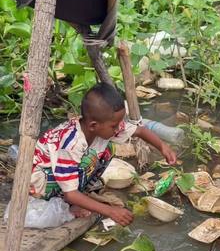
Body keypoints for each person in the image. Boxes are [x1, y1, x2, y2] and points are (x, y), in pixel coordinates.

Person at [30, 82, 177, 226]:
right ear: (93, 125)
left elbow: (139, 130)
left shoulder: (99, 127)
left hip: (60, 177)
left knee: (108, 149)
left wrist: (162, 147)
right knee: (90, 160)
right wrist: (110, 211)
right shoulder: (70, 144)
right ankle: (68, 204)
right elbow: (71, 193)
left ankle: (78, 196)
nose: (119, 128)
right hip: (41, 184)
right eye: (114, 125)